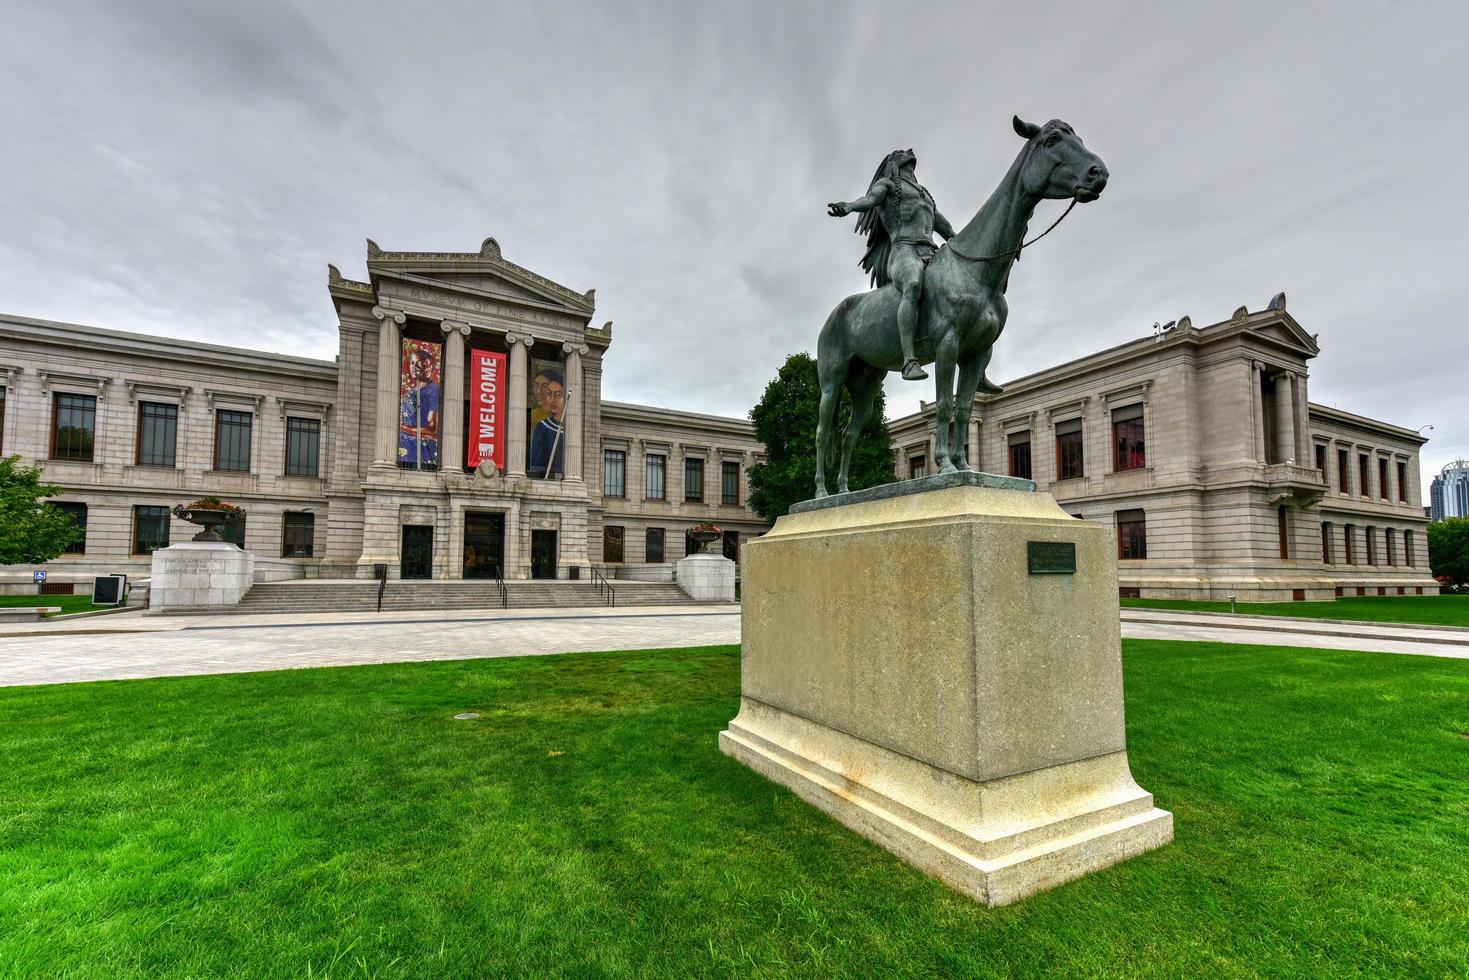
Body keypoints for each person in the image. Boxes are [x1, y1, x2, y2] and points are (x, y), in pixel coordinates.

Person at [828, 148, 958, 382]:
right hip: (903, 251)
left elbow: (943, 225)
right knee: (913, 283)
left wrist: (959, 241)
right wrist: (849, 206)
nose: (908, 151)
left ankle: (975, 362)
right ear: (892, 163)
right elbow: (868, 200)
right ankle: (909, 361)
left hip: (930, 250)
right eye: (900, 152)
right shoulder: (888, 185)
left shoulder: (924, 194)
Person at [398, 345, 441, 467]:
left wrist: (403, 428)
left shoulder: (433, 390)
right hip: (406, 447)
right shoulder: (413, 389)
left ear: (430, 367)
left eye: (420, 364)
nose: (413, 367)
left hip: (421, 449)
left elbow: (433, 431)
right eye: (411, 362)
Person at [527, 368, 566, 478]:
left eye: (558, 394)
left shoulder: (570, 429)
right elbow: (535, 458)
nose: (552, 399)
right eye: (549, 394)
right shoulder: (542, 426)